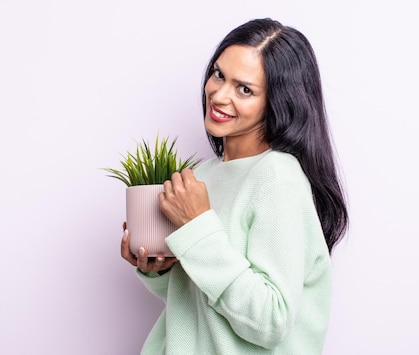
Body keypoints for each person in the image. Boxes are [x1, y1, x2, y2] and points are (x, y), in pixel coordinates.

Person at [120, 18, 348, 354]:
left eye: (245, 89)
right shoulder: (203, 174)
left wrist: (197, 227)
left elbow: (271, 321)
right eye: (218, 74)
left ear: (277, 101)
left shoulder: (277, 178)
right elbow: (202, 305)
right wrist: (159, 269)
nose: (219, 94)